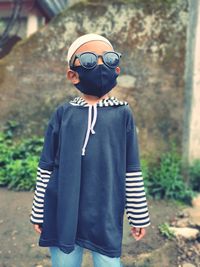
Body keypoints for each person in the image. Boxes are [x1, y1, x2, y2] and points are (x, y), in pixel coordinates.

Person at [29, 33, 151, 267]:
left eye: (109, 59)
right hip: (63, 210)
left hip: (105, 211)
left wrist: (138, 215)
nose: (100, 65)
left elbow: (131, 169)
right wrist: (39, 211)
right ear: (73, 75)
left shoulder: (122, 114)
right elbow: (46, 166)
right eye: (88, 60)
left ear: (116, 70)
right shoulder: (63, 114)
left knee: (109, 262)